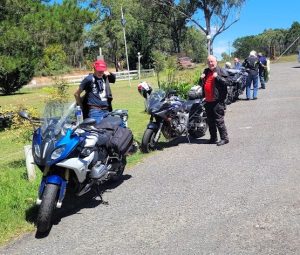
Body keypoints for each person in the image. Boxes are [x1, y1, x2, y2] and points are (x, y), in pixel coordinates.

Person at [199, 55, 230, 146]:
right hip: (208, 100)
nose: (210, 63)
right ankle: (213, 138)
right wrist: (201, 79)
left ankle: (224, 138)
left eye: (212, 61)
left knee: (219, 120)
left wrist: (218, 77)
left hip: (217, 101)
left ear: (216, 61)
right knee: (210, 121)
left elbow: (228, 82)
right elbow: (201, 85)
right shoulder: (206, 71)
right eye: (209, 62)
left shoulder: (221, 71)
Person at [74, 59, 116, 124]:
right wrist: (81, 106)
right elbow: (76, 94)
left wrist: (108, 73)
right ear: (94, 69)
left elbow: (113, 79)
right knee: (98, 131)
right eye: (98, 70)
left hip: (107, 110)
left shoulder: (105, 77)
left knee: (111, 130)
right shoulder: (89, 79)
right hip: (95, 111)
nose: (100, 72)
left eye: (102, 70)